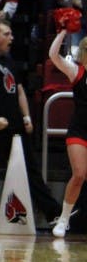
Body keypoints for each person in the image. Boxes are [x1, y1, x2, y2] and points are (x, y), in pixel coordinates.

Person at [0, 19, 62, 228]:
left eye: (11, 33)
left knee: (31, 169)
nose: (12, 38)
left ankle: (53, 213)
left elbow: (19, 91)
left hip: (16, 127)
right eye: (7, 34)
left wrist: (26, 117)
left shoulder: (10, 62)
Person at [47, 25, 87, 238]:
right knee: (79, 174)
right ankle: (63, 220)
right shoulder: (77, 71)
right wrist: (62, 30)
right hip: (80, 130)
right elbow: (53, 54)